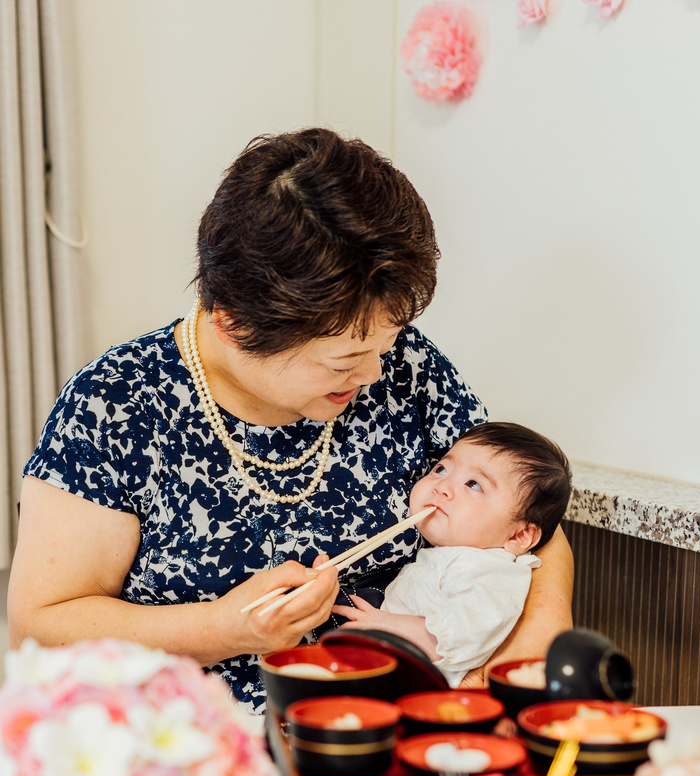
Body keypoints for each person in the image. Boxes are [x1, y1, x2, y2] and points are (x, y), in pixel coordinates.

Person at [7, 128, 574, 717]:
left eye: (388, 343)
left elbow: (527, 523)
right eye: (344, 362)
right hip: (193, 747)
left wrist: (526, 657)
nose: (377, 374)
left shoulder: (407, 366)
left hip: (394, 732)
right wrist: (221, 629)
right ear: (233, 323)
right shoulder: (118, 402)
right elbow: (41, 624)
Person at [332, 422, 572, 687]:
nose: (443, 486)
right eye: (441, 469)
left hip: (436, 700)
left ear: (518, 536)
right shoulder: (457, 554)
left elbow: (464, 634)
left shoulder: (490, 571)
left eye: (474, 484)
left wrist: (387, 626)